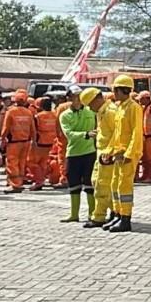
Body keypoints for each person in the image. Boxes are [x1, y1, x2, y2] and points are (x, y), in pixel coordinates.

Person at [106, 75, 144, 233]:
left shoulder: (134, 107)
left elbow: (136, 132)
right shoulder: (120, 107)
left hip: (128, 154)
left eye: (115, 89)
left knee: (124, 186)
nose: (114, 93)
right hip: (118, 153)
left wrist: (129, 153)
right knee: (115, 184)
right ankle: (118, 214)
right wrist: (109, 151)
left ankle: (126, 218)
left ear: (123, 90)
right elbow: (117, 133)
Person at [58, 86, 98, 224]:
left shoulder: (91, 111)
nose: (78, 99)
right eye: (74, 96)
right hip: (73, 154)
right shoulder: (65, 115)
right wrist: (86, 134)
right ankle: (74, 214)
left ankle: (92, 214)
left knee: (90, 185)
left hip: (90, 153)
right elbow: (69, 134)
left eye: (79, 96)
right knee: (74, 185)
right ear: (69, 98)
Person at [80, 88, 117, 228]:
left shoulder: (110, 112)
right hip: (102, 152)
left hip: (108, 154)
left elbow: (118, 133)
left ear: (97, 99)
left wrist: (110, 150)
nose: (90, 108)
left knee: (103, 185)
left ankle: (99, 216)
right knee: (97, 182)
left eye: (90, 104)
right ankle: (113, 211)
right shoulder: (102, 112)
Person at [0, 89, 36, 194]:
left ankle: (15, 184)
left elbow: (6, 127)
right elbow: (33, 128)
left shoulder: (11, 111)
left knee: (12, 163)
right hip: (26, 142)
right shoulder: (28, 112)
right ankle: (19, 182)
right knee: (21, 163)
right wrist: (33, 140)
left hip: (14, 142)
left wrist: (2, 138)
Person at [28, 98, 58, 191]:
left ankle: (39, 181)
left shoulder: (38, 116)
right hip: (51, 142)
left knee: (31, 162)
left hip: (40, 142)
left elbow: (34, 130)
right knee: (43, 163)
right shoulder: (55, 115)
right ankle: (40, 179)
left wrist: (33, 141)